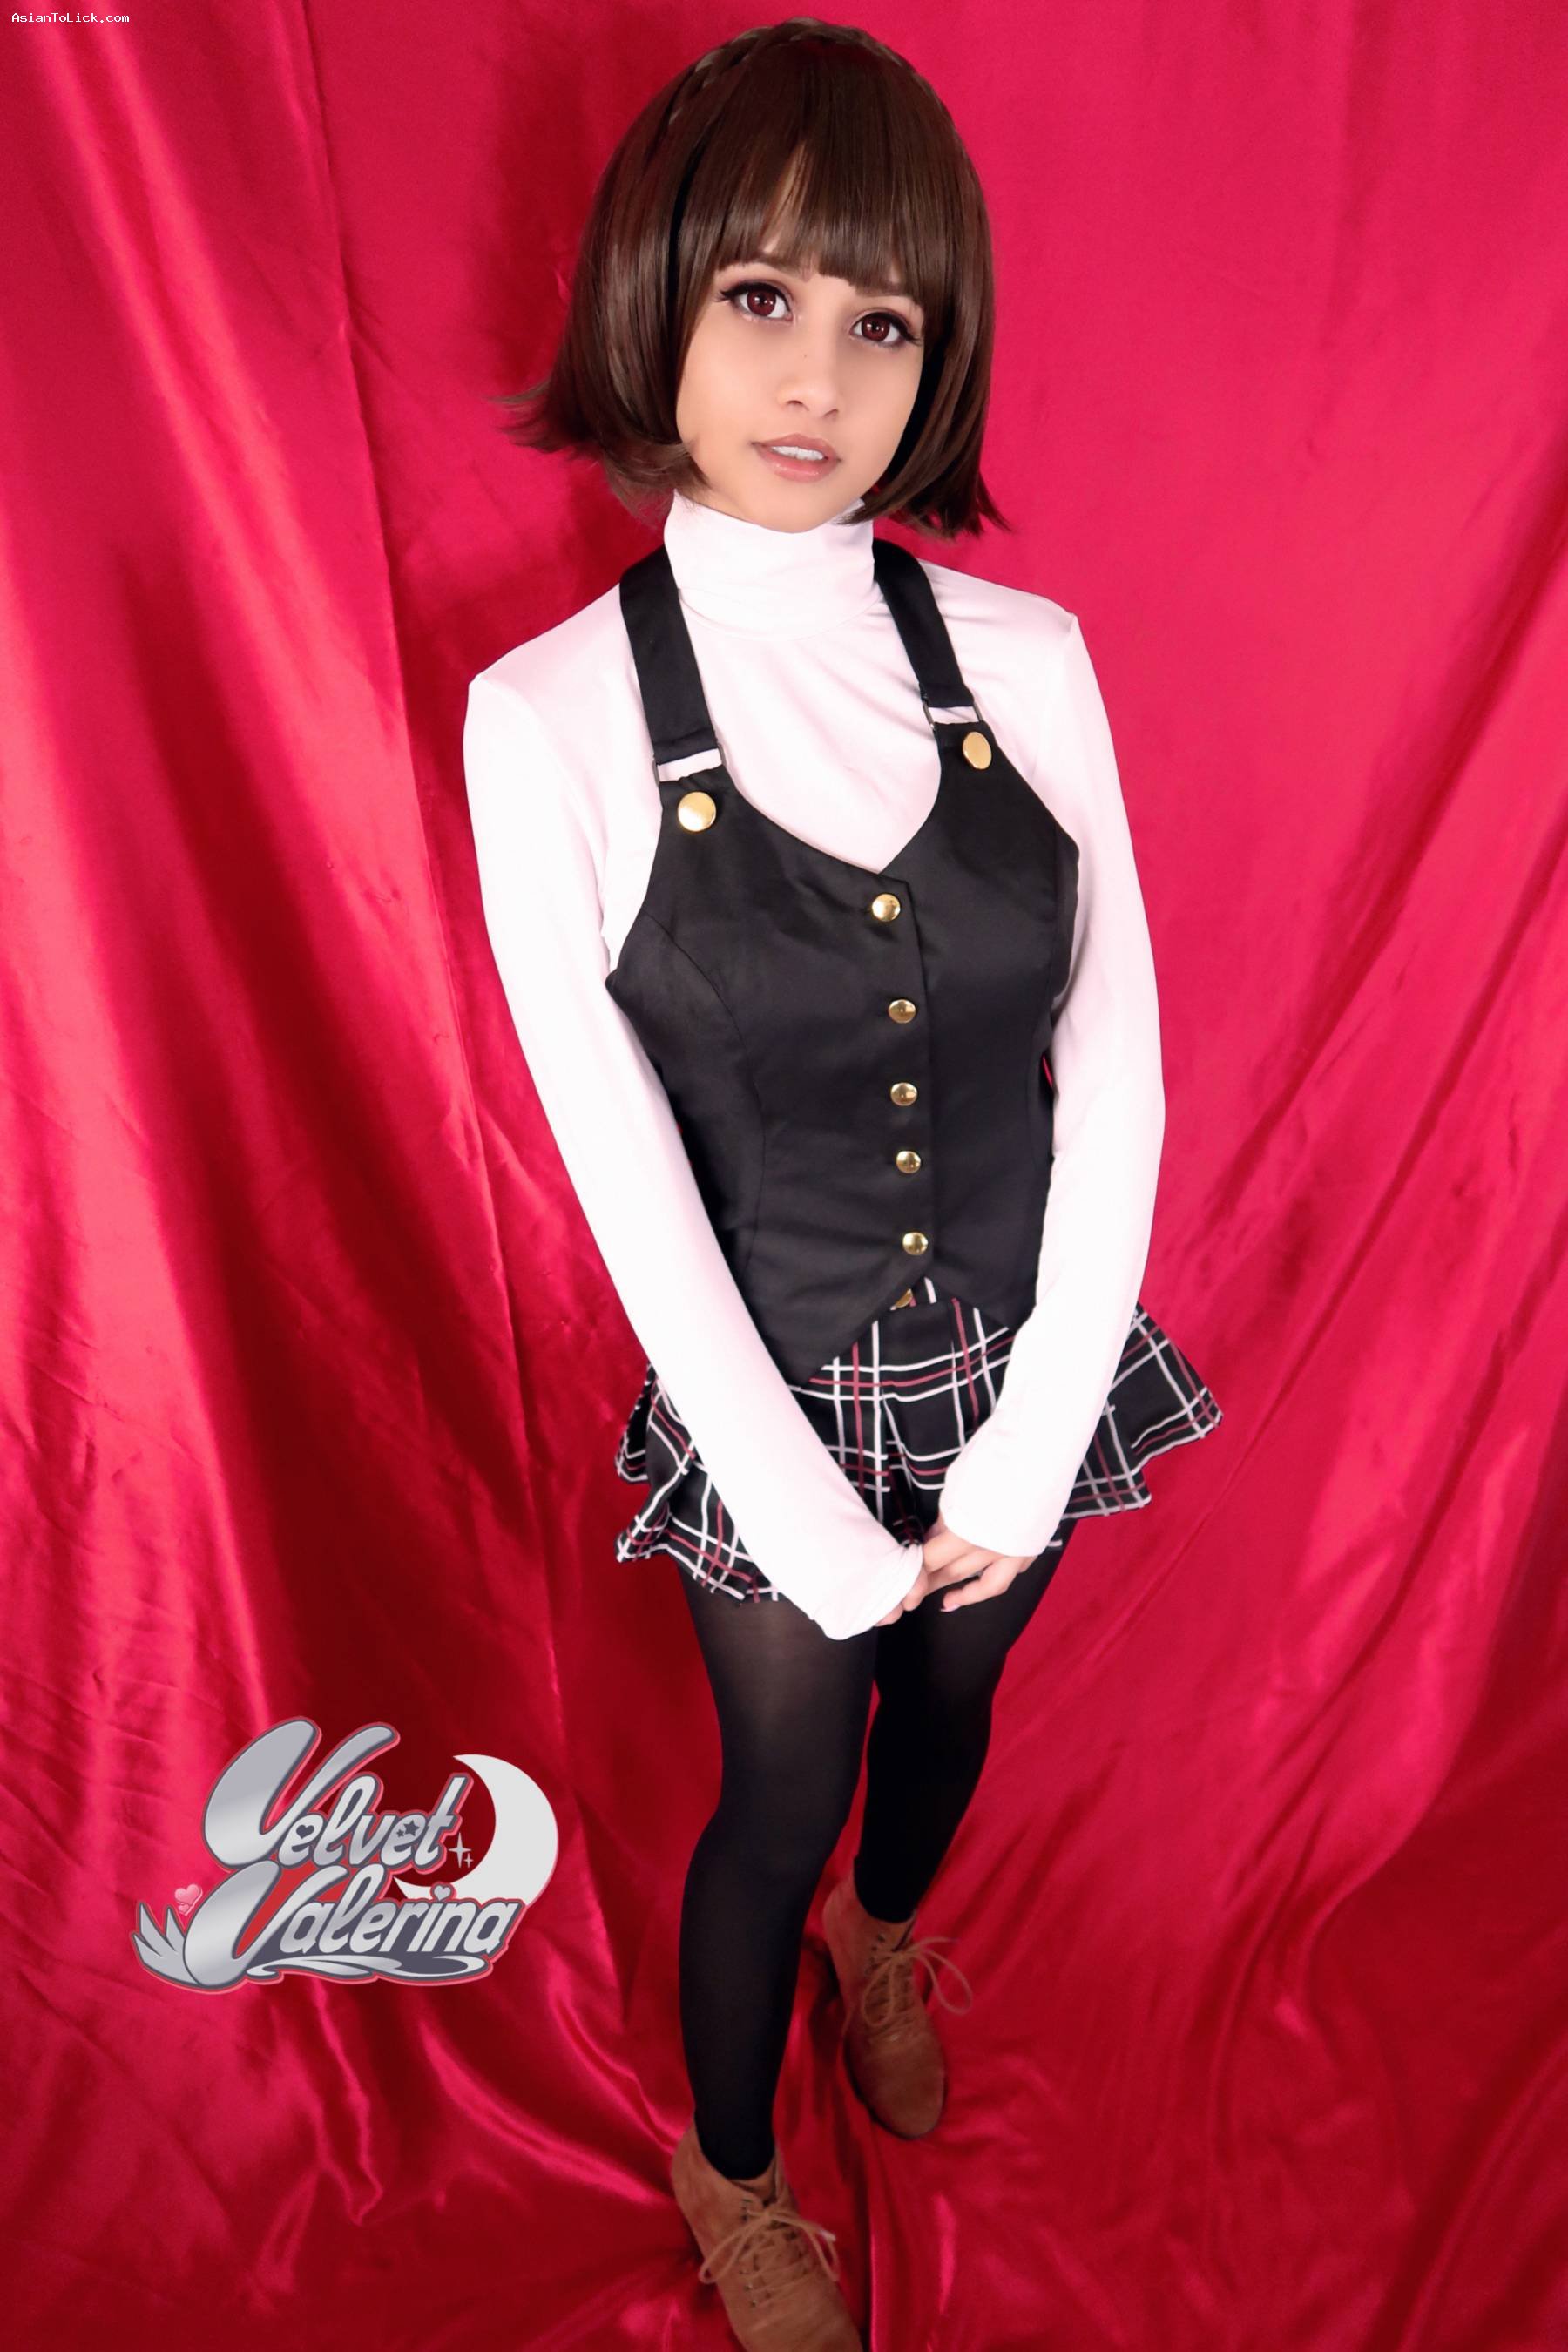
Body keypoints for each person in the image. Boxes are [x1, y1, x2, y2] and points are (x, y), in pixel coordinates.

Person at [462, 22, 1222, 2349]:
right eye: (763, 298)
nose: (820, 377)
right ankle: (731, 2159)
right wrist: (798, 1509)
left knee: (954, 1719)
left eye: (883, 320)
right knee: (777, 1793)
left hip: (1025, 1354)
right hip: (765, 1386)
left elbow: (1117, 1054)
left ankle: (887, 1941)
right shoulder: (548, 717)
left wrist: (1036, 1422)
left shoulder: (1031, 660)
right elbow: (616, 1166)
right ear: (661, 300)